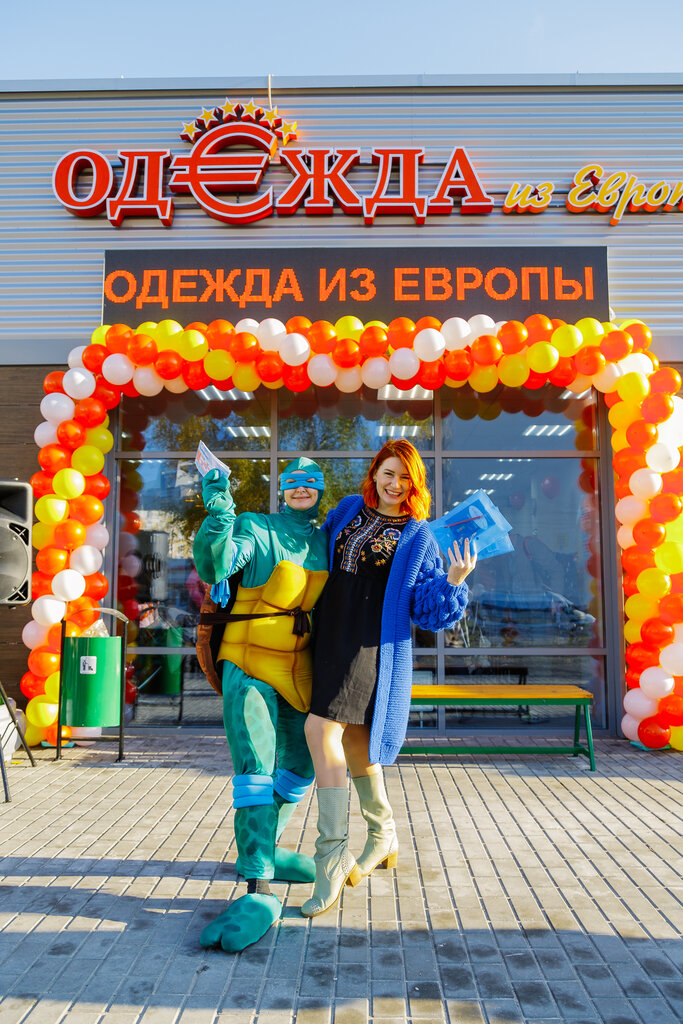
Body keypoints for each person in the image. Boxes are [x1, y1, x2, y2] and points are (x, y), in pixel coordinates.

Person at [301, 439, 476, 918]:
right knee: (355, 741)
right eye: (388, 473)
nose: (395, 484)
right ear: (375, 472)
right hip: (329, 634)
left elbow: (426, 609)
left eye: (404, 477)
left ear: (414, 484)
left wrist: (453, 580)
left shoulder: (419, 537)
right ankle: (384, 835)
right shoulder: (346, 510)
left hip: (369, 644)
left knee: (320, 728)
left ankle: (331, 858)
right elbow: (315, 558)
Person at [193, 457, 329, 952]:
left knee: (302, 764)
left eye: (310, 482)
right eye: (292, 481)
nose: (300, 488)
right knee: (256, 767)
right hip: (248, 661)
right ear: (281, 488)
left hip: (299, 669)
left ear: (320, 490)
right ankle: (258, 887)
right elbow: (218, 565)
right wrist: (220, 517)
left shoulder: (326, 540)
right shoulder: (256, 526)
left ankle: (266, 846)